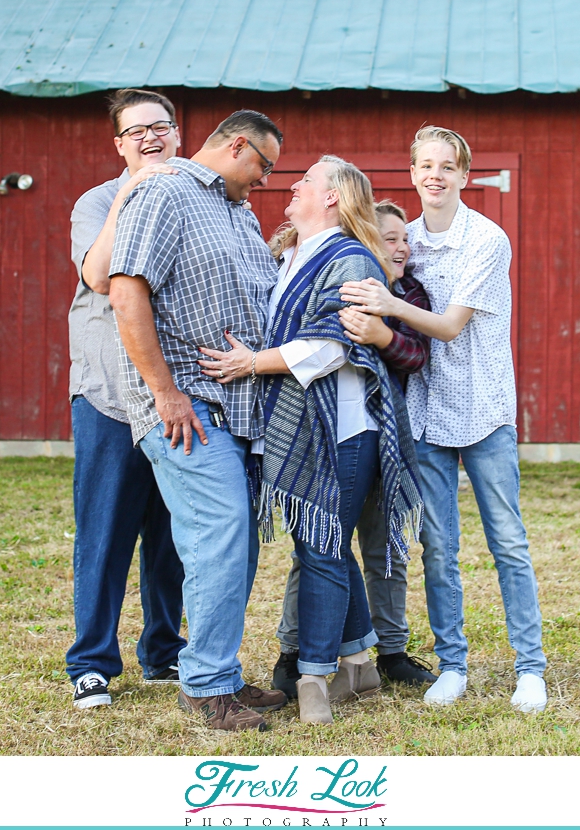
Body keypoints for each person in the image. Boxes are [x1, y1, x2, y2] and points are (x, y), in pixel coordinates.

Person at [198, 158, 423, 727]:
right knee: (323, 545)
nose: (292, 186)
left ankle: (315, 678)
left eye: (304, 181)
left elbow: (332, 347)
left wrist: (253, 363)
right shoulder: (291, 256)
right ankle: (358, 659)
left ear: (331, 198)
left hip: (344, 430)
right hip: (302, 429)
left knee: (320, 548)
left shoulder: (348, 257)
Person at [340, 126, 548, 714]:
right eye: (425, 165)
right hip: (425, 413)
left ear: (463, 175)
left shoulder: (487, 239)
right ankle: (452, 664)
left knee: (507, 539)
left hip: (482, 409)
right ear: (412, 173)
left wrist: (386, 305)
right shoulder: (405, 241)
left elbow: (451, 324)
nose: (435, 174)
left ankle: (529, 668)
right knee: (437, 545)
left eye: (447, 166)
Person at [108, 110, 288, 733]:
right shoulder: (167, 191)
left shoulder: (238, 211)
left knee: (232, 546)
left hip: (238, 408)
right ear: (236, 145)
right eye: (263, 164)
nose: (266, 180)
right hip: (186, 406)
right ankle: (207, 686)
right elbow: (126, 289)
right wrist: (165, 392)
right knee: (220, 532)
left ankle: (222, 672)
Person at [271, 198, 437, 697]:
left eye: (406, 239)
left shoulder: (408, 293)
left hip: (386, 435)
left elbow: (414, 355)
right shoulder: (343, 278)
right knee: (319, 543)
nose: (402, 247)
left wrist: (383, 331)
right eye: (390, 239)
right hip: (336, 428)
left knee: (382, 549)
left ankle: (386, 652)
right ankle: (297, 649)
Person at [64, 89, 186, 709]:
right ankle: (90, 662)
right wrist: (134, 189)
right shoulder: (96, 202)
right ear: (118, 144)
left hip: (177, 396)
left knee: (171, 534)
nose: (149, 138)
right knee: (106, 529)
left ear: (177, 133)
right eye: (135, 132)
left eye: (159, 127)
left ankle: (164, 652)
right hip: (110, 392)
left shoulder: (196, 194)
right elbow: (95, 273)